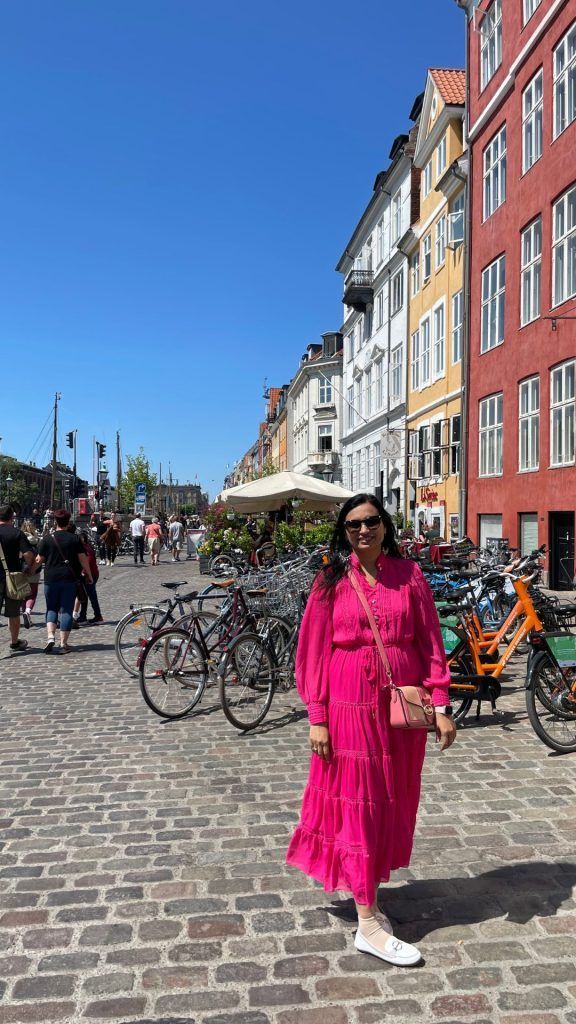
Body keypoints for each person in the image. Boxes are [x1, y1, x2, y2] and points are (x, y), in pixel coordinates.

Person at [285, 493, 456, 967]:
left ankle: (369, 897)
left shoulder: (409, 575)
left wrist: (440, 703)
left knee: (389, 797)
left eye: (372, 521)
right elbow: (312, 652)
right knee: (360, 799)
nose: (364, 530)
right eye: (354, 523)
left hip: (399, 706)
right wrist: (316, 715)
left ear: (386, 525)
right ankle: (367, 921)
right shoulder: (330, 581)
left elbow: (431, 642)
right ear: (344, 531)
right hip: (347, 704)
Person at [36, 509, 94, 654]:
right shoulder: (74, 539)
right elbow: (83, 559)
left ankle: (50, 637)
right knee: (67, 610)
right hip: (69, 578)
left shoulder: (47, 539)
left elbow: (39, 560)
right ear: (68, 522)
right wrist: (89, 574)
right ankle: (63, 643)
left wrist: (30, 571)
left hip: (51, 579)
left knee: (51, 608)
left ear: (55, 521)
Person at [0, 505, 36, 654]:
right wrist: (29, 569)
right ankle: (15, 642)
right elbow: (28, 554)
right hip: (12, 578)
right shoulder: (16, 533)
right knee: (13, 613)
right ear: (12, 518)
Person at [72, 531, 103, 625]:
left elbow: (88, 562)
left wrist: (84, 573)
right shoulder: (87, 547)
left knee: (91, 596)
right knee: (84, 596)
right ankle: (83, 616)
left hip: (90, 575)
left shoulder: (85, 548)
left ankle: (97, 616)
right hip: (91, 574)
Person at [19, 519, 43, 628]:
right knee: (32, 594)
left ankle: (25, 613)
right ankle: (27, 612)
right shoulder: (37, 540)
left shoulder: (19, 538)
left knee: (24, 595)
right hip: (34, 569)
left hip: (21, 570)